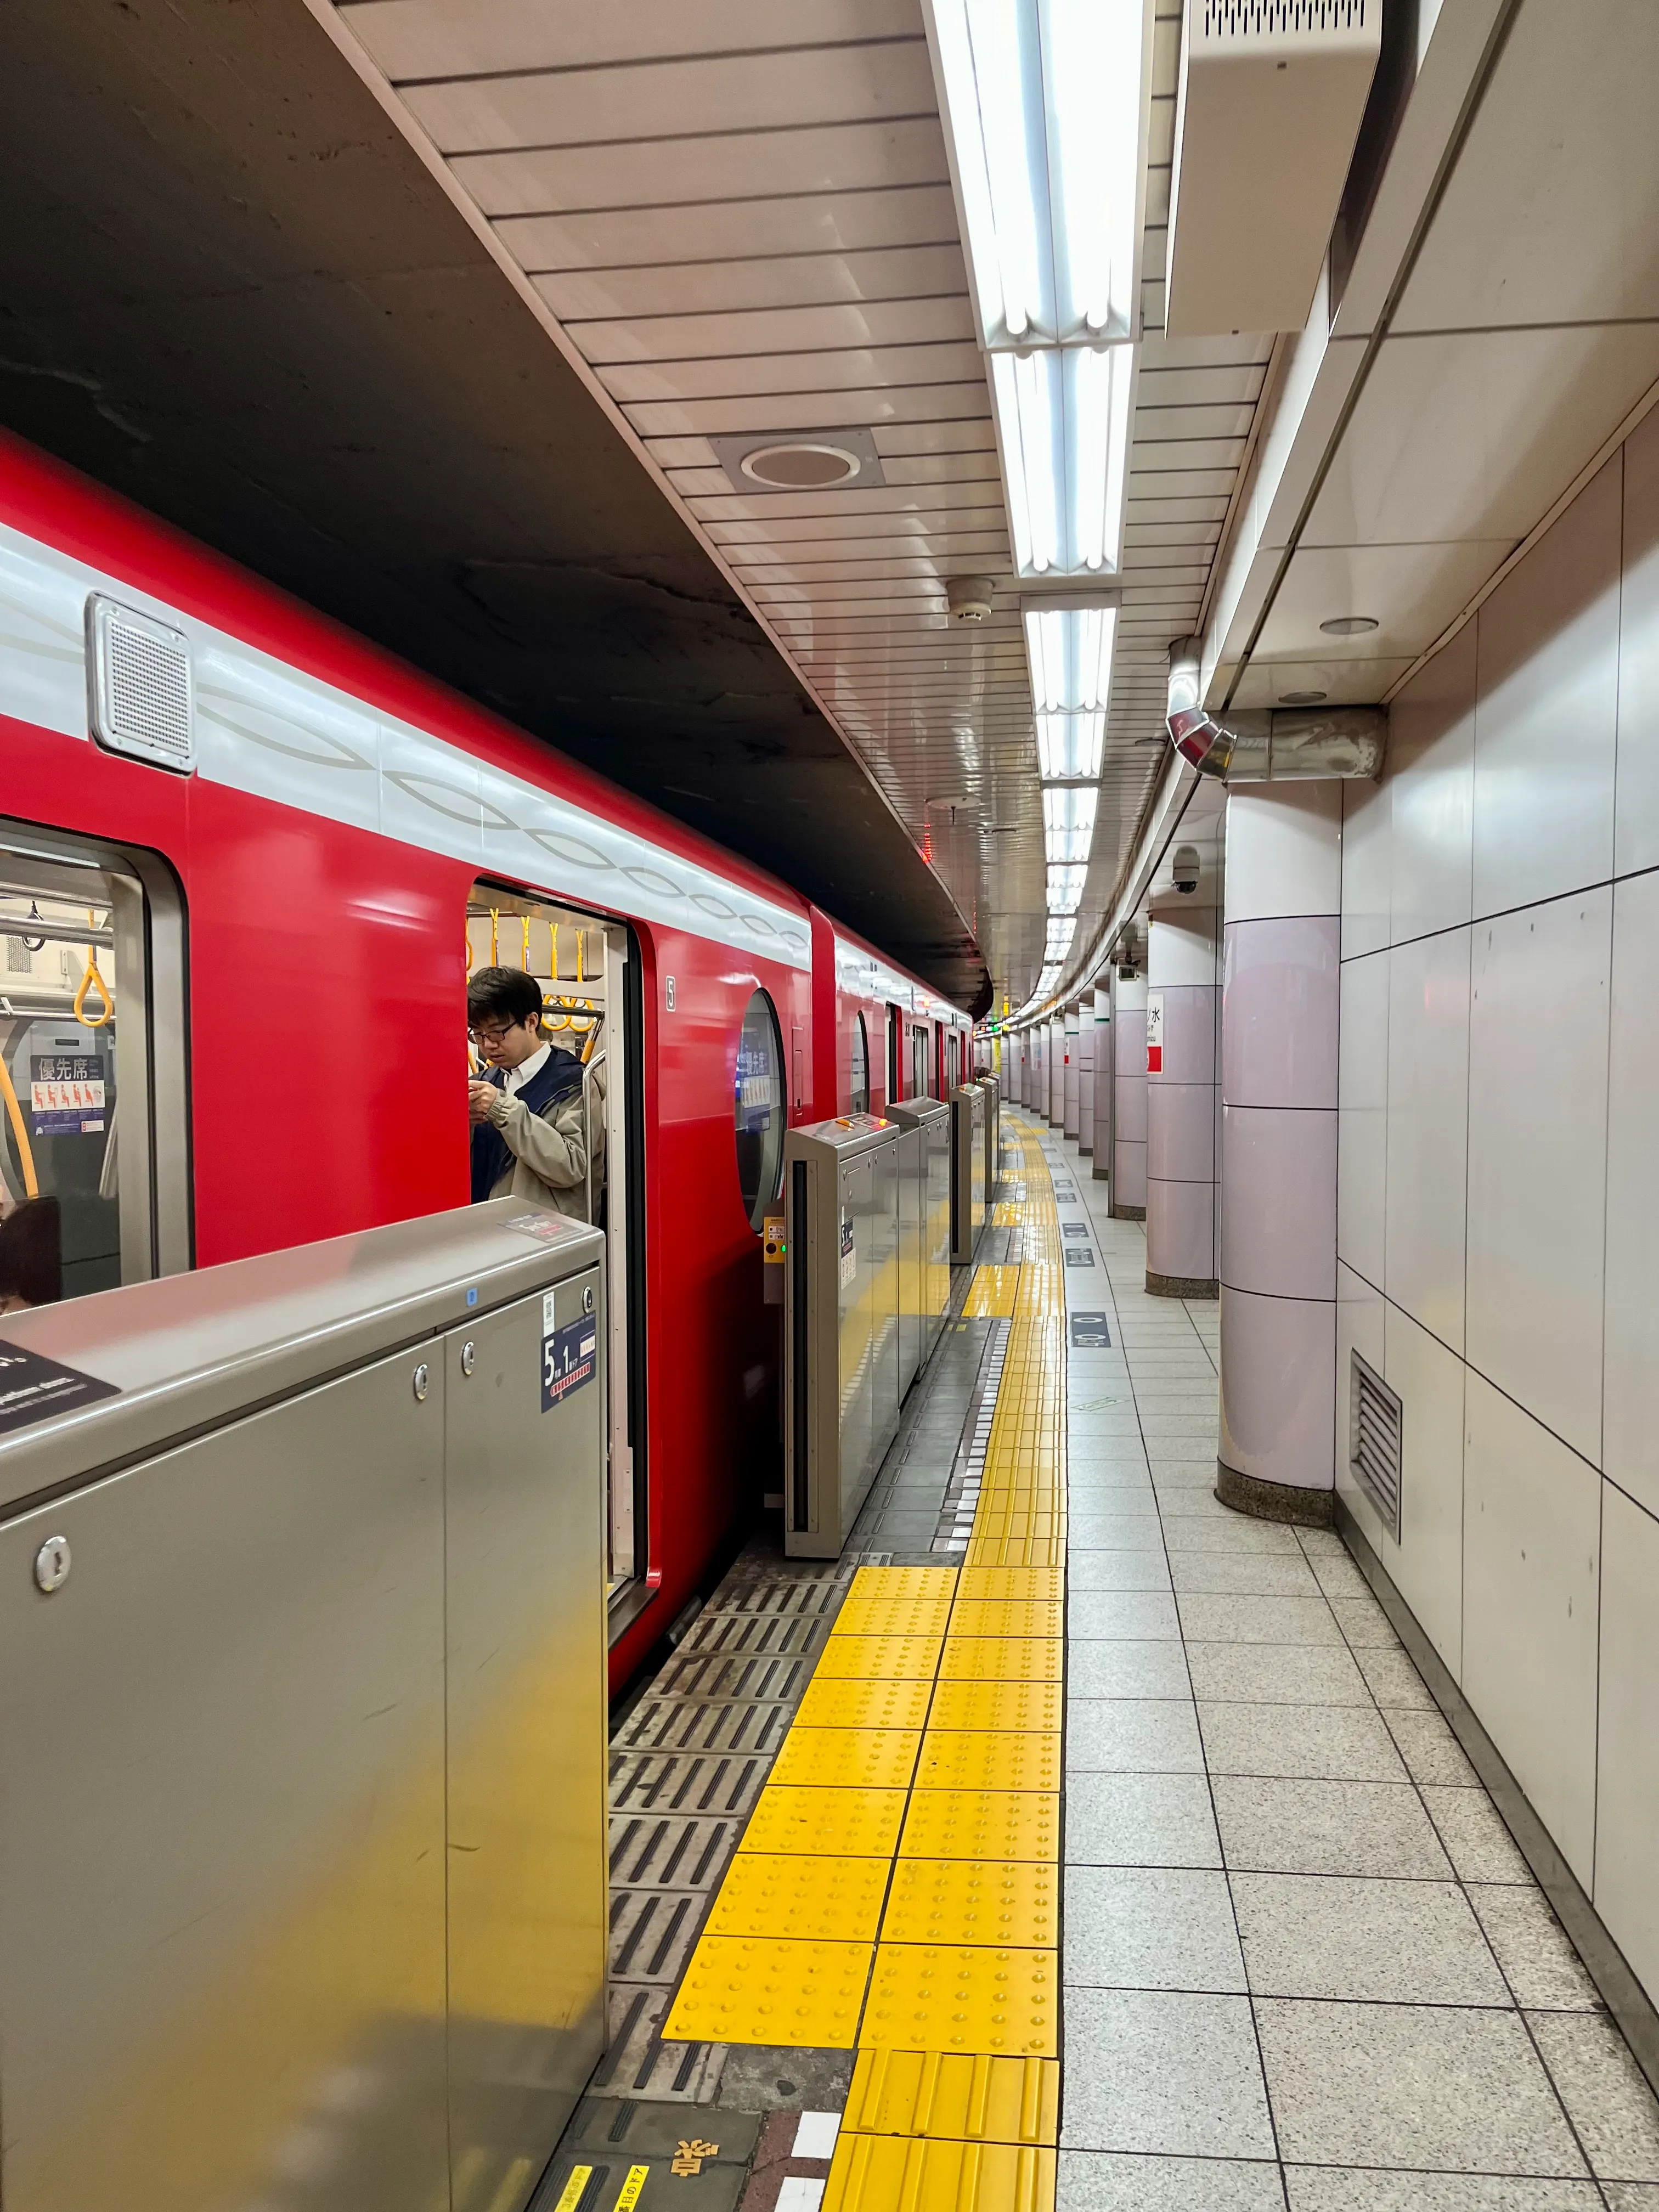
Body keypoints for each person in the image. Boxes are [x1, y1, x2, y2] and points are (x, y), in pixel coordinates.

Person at [467, 967, 590, 1218]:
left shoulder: (575, 1083)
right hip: (481, 1228)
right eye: (478, 1034)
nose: (488, 1044)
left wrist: (502, 1110)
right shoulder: (483, 1082)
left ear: (532, 1022)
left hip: (543, 1238)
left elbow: (571, 1167)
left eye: (498, 1032)